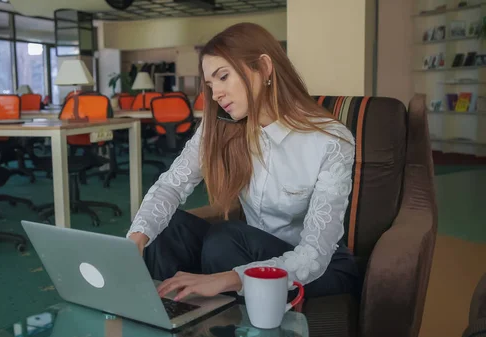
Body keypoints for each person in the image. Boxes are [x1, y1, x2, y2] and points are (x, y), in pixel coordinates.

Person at [126, 22, 360, 303]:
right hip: (245, 247)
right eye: (210, 84)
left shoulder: (330, 140)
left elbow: (314, 256)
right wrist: (136, 238)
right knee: (165, 229)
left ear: (263, 68)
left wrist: (228, 277)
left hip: (318, 269)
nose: (215, 95)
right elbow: (170, 187)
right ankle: (171, 317)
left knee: (226, 239)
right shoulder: (221, 126)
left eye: (223, 77)